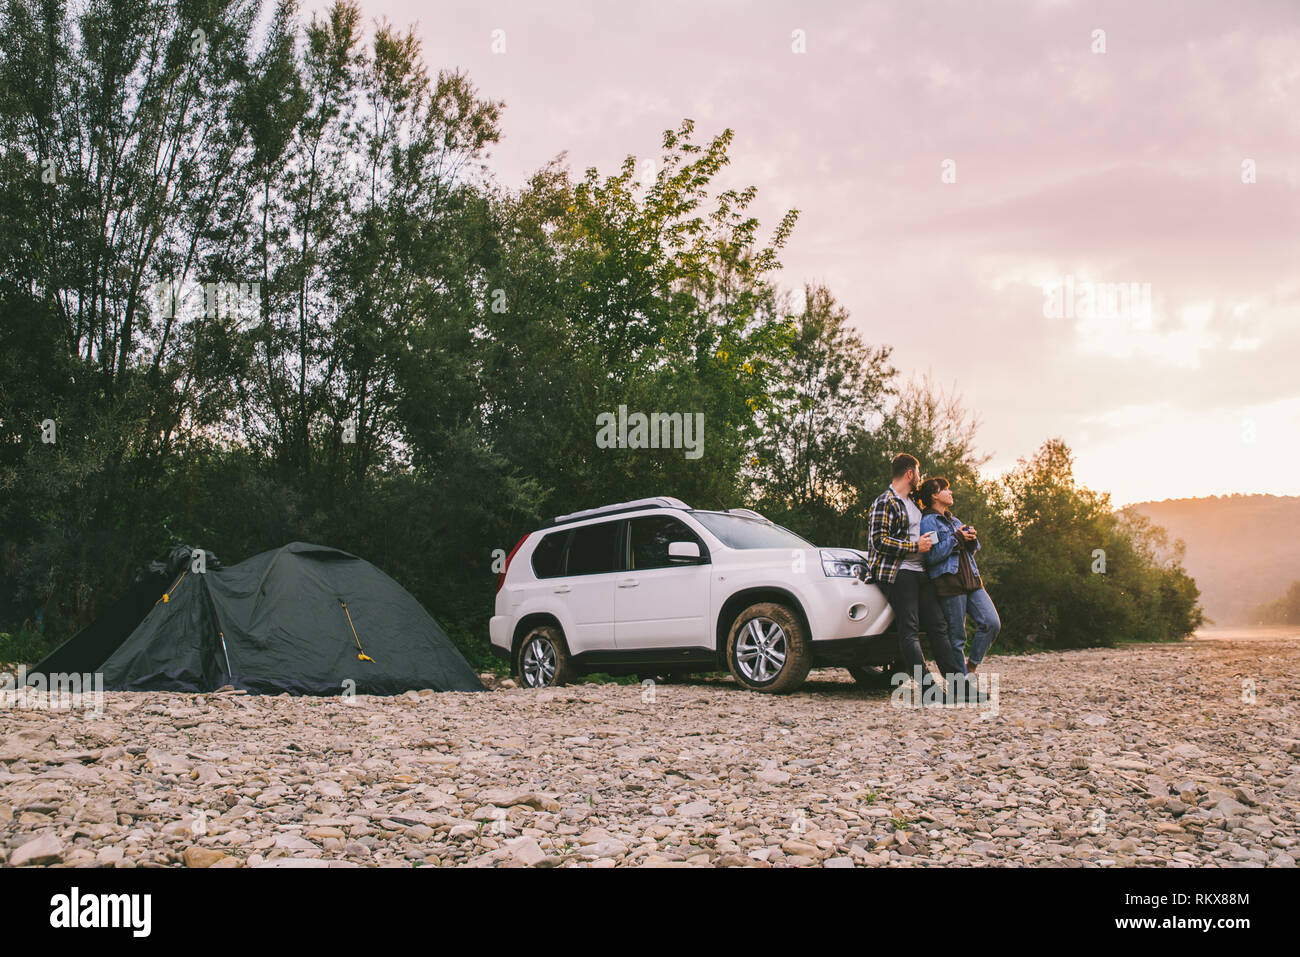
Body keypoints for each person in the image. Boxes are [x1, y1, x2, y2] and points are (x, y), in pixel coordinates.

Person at [865, 453, 966, 701]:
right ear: (910, 473)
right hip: (898, 572)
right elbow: (879, 541)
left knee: (938, 626)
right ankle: (928, 690)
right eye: (918, 472)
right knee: (908, 629)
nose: (920, 478)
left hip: (921, 573)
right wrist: (914, 547)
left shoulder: (913, 504)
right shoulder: (885, 502)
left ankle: (960, 688)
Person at [917, 477, 1001, 676]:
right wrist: (957, 538)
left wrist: (971, 539)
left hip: (971, 580)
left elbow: (970, 550)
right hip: (950, 582)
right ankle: (960, 683)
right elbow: (933, 556)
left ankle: (970, 668)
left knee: (991, 623)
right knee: (957, 637)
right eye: (945, 489)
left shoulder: (954, 520)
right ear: (934, 495)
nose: (950, 492)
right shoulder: (928, 521)